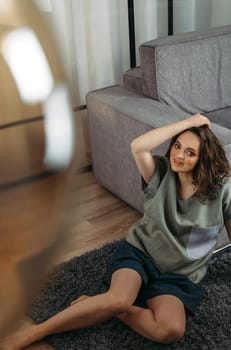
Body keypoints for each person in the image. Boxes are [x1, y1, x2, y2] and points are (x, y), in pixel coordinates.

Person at [2, 113, 231, 349]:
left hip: (178, 276)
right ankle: (34, 332)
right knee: (119, 297)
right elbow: (137, 146)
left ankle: (103, 306)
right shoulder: (159, 172)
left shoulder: (224, 190)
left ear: (204, 159)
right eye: (177, 146)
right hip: (140, 254)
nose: (179, 155)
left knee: (170, 330)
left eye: (190, 153)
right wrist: (188, 123)